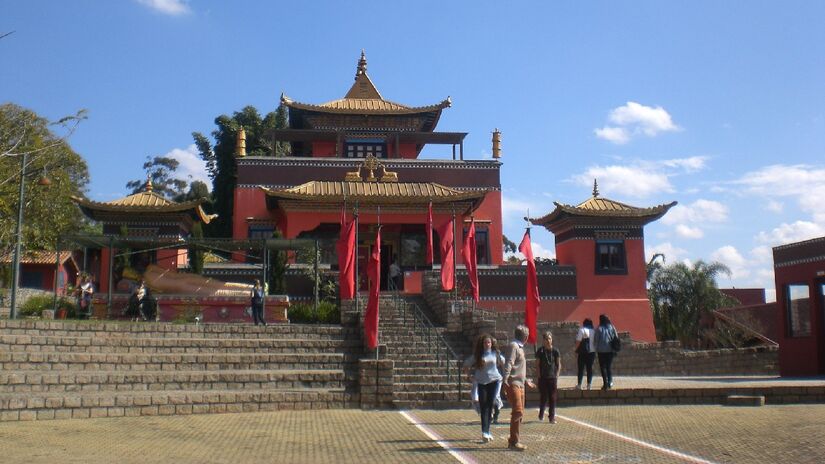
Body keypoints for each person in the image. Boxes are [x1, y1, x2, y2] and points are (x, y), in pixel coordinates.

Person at [502, 325, 535, 451]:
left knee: (520, 414)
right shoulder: (514, 346)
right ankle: (513, 442)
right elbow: (509, 363)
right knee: (518, 411)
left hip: (521, 384)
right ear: (525, 337)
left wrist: (526, 381)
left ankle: (515, 440)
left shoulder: (520, 347)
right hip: (513, 383)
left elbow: (518, 367)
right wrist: (505, 379)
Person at [466, 334, 504, 443]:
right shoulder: (478, 355)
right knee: (483, 407)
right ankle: (485, 432)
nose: (487, 344)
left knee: (490, 404)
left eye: (489, 342)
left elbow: (504, 363)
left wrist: (506, 375)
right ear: (482, 344)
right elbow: (466, 364)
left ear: (491, 344)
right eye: (485, 343)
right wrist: (469, 376)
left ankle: (487, 431)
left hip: (494, 381)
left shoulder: (495, 354)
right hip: (482, 382)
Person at [535, 330, 561, 423]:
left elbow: (558, 364)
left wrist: (557, 375)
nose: (548, 341)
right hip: (543, 377)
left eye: (549, 339)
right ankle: (541, 413)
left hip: (552, 377)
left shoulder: (555, 351)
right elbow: (537, 365)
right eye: (546, 339)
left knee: (552, 398)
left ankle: (551, 417)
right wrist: (538, 376)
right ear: (543, 340)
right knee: (543, 397)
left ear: (552, 340)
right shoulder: (540, 351)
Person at [595, 314, 619, 390]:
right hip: (610, 350)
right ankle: (610, 382)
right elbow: (616, 337)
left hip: (601, 351)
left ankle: (605, 383)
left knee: (603, 367)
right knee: (608, 367)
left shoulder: (599, 328)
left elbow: (596, 340)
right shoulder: (612, 327)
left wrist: (595, 349)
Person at [575, 318, 596, 390]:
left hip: (583, 352)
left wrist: (576, 350)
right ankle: (589, 385)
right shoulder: (594, 331)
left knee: (581, 369)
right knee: (589, 369)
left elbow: (578, 341)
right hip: (592, 352)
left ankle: (579, 384)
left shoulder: (582, 330)